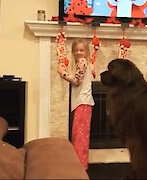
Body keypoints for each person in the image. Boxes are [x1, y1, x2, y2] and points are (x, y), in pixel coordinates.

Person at [57, 38, 95, 170]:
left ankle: (79, 166)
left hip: (83, 103)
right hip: (83, 103)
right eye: (76, 50)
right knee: (81, 135)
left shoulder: (82, 62)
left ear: (86, 52)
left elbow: (77, 81)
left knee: (79, 136)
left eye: (81, 50)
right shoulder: (85, 63)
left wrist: (62, 73)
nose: (79, 52)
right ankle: (81, 164)